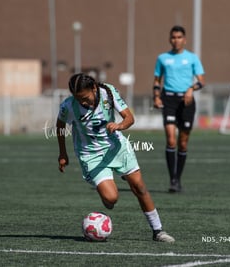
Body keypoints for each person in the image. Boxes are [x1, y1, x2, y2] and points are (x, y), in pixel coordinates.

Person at [57, 73, 175, 243]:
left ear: (94, 88)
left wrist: (119, 125)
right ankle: (107, 196)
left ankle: (158, 231)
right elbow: (60, 125)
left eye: (84, 97)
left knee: (139, 187)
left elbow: (129, 118)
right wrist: (63, 153)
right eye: (77, 98)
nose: (82, 102)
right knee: (111, 199)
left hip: (117, 148)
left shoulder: (108, 92)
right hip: (91, 156)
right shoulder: (68, 106)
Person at [152, 25, 205, 193]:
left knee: (182, 143)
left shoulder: (192, 58)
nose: (176, 40)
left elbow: (201, 81)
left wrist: (191, 89)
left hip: (187, 102)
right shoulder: (162, 58)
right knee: (171, 140)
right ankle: (173, 179)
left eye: (179, 37)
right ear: (170, 39)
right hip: (168, 100)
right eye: (173, 37)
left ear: (185, 39)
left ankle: (178, 177)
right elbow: (156, 81)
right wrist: (156, 96)